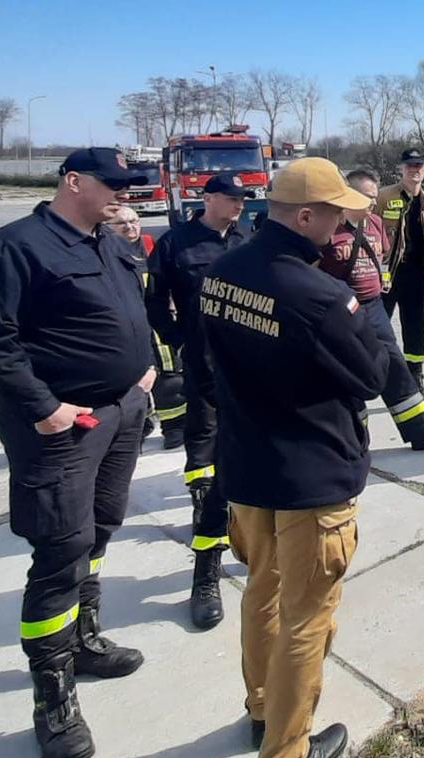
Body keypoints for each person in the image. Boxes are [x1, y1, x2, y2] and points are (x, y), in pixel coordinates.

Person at [0, 147, 153, 758]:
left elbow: (131, 313)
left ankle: (85, 639)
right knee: (59, 551)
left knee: (98, 530)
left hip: (121, 411)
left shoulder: (108, 241)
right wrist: (45, 407)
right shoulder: (16, 247)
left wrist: (144, 370)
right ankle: (53, 698)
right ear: (74, 182)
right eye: (113, 183)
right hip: (62, 428)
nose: (125, 192)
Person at [200, 157, 384, 758]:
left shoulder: (222, 272)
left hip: (248, 470)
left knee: (263, 596)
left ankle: (260, 710)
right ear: (303, 216)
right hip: (309, 479)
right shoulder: (314, 292)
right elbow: (369, 376)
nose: (341, 226)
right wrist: (357, 308)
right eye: (334, 214)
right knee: (308, 617)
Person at [147, 171, 253, 631]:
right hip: (205, 371)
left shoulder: (247, 239)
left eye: (243, 200)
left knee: (253, 465)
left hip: (249, 371)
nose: (240, 206)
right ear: (208, 199)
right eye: (232, 198)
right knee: (207, 466)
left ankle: (254, 546)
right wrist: (179, 340)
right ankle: (205, 570)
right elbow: (155, 302)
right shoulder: (176, 244)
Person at [320, 169, 424, 450]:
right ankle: (356, 441)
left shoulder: (374, 224)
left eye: (374, 197)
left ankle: (421, 430)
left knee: (394, 365)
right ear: (348, 195)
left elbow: (383, 254)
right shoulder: (327, 230)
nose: (373, 203)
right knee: (351, 372)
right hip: (341, 313)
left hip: (373, 307)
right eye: (367, 197)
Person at [111, 208, 188, 450]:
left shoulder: (149, 248)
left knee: (169, 374)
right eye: (121, 223)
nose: (130, 227)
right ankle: (139, 424)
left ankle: (174, 427)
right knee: (129, 378)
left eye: (134, 221)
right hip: (121, 327)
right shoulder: (103, 253)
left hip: (153, 321)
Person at [374, 148, 424, 402]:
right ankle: (375, 379)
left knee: (416, 330)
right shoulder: (383, 197)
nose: (414, 170)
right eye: (409, 165)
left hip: (418, 276)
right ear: (401, 169)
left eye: (419, 165)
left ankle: (416, 381)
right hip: (388, 275)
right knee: (378, 330)